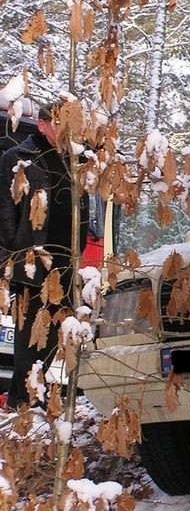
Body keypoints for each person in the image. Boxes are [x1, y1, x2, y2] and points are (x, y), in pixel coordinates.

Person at [0, 103, 88, 408]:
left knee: (55, 338)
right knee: (29, 344)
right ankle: (21, 406)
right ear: (42, 125)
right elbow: (5, 212)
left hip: (65, 266)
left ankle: (33, 404)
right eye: (61, 124)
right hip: (32, 265)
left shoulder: (75, 161)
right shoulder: (18, 159)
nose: (67, 131)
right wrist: (16, 250)